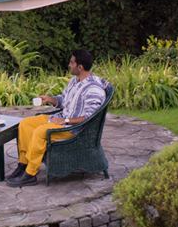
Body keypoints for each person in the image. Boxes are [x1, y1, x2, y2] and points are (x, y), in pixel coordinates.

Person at [6, 48, 107, 187]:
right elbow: (64, 99)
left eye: (72, 62)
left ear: (80, 67)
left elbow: (90, 118)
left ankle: (30, 174)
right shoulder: (74, 81)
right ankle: (23, 165)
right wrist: (50, 99)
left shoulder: (93, 90)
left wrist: (65, 121)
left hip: (73, 129)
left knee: (41, 132)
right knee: (25, 124)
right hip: (60, 119)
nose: (69, 65)